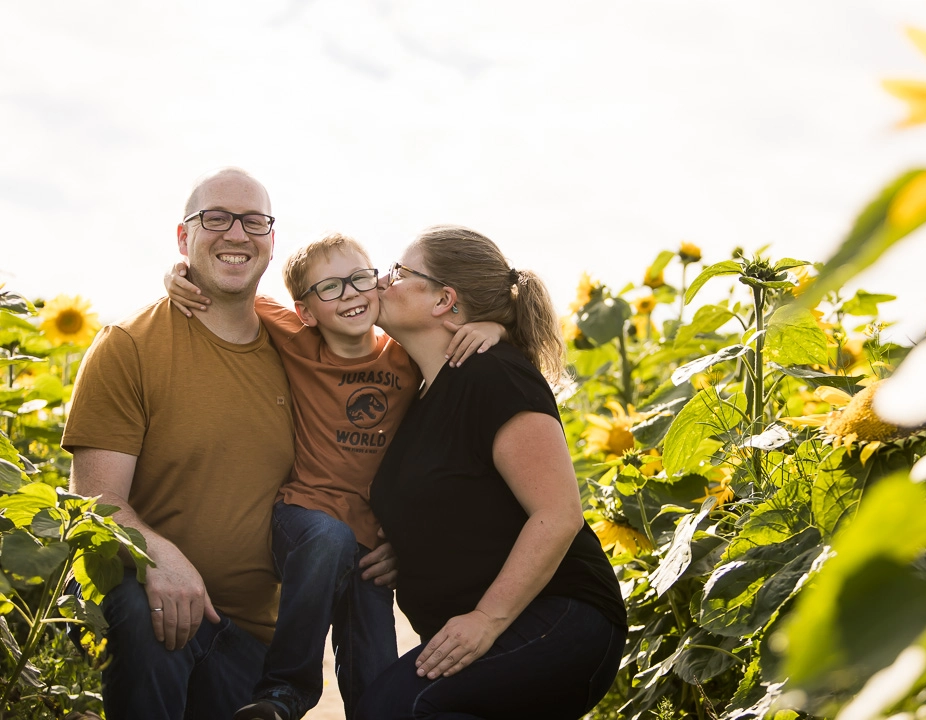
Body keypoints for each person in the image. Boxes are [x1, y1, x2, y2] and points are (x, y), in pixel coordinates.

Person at [61, 168, 397, 720]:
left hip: (254, 637)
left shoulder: (301, 347)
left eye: (254, 221)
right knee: (143, 611)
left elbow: (376, 431)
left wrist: (395, 533)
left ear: (270, 241)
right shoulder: (129, 347)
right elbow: (96, 504)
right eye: (215, 219)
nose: (236, 234)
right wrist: (160, 558)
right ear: (182, 238)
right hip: (155, 605)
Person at [165, 233, 505, 720]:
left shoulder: (405, 356)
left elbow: (464, 327)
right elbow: (222, 289)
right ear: (305, 310)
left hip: (370, 535)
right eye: (329, 288)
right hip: (304, 517)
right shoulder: (293, 337)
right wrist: (176, 276)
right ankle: (286, 691)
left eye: (358, 279)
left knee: (373, 670)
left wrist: (495, 327)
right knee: (329, 537)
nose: (348, 293)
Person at [361, 226, 627, 719]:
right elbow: (462, 499)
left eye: (399, 272)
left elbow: (558, 513)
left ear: (444, 299)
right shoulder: (422, 396)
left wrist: (487, 618)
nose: (382, 279)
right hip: (495, 625)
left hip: (559, 616)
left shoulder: (494, 375)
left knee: (395, 708)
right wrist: (409, 546)